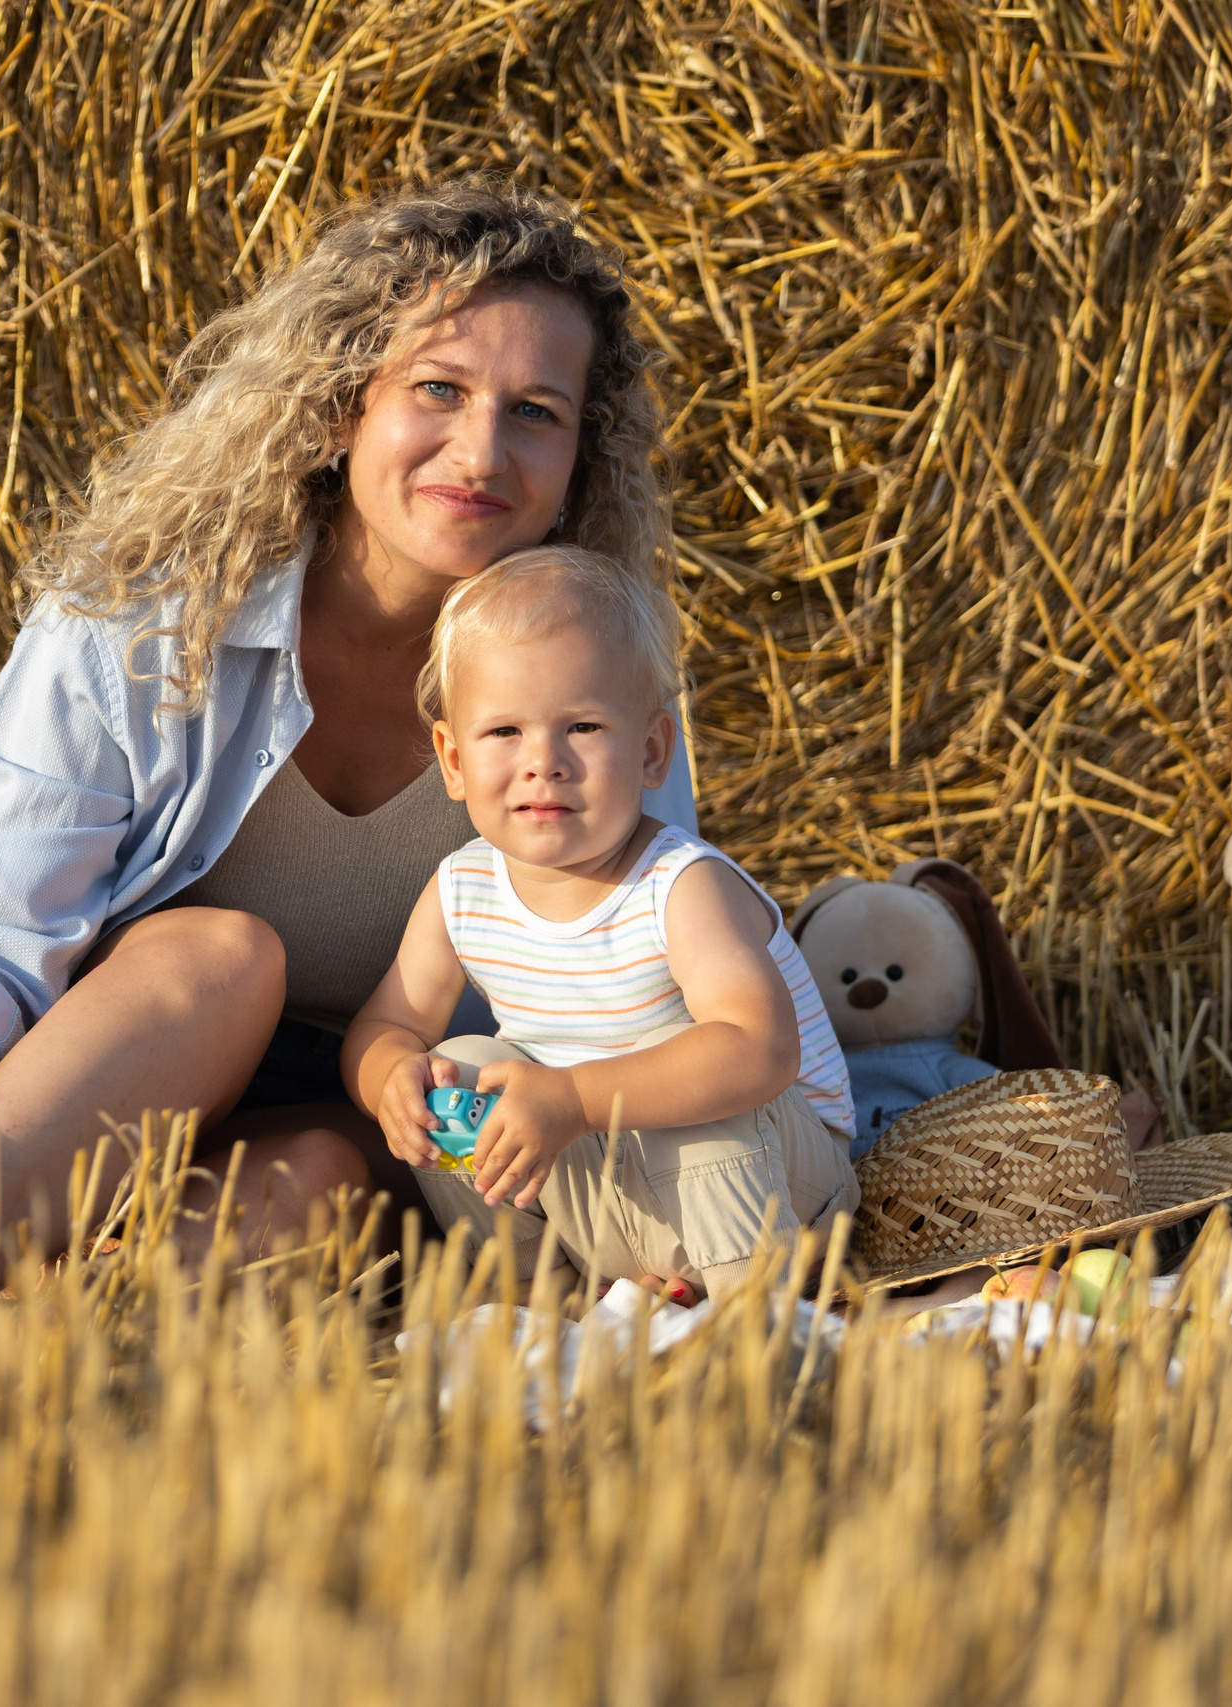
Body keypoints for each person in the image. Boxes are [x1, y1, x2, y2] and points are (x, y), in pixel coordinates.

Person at [0, 176, 698, 1259]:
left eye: (535, 413)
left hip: (386, 1134)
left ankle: (53, 1333)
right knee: (219, 956)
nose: (482, 453)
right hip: (112, 1086)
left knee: (321, 1179)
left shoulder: (598, 690)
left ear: (578, 460)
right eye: (437, 389)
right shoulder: (137, 628)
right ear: (344, 405)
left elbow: (655, 975)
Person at [342, 547, 858, 1299]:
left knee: (695, 1066)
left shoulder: (680, 885)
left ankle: (754, 1321)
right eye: (504, 732)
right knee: (457, 1072)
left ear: (651, 750)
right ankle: (547, 1300)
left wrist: (575, 1099)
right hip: (614, 1184)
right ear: (452, 760)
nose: (543, 761)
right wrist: (393, 1078)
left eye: (582, 726)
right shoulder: (464, 889)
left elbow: (760, 1050)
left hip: (782, 1186)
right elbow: (385, 1025)